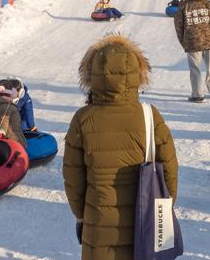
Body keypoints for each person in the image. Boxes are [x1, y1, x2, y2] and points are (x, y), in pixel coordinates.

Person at [63, 35, 178, 260]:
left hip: (98, 219)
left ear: (93, 75)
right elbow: (170, 171)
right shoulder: (150, 115)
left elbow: (73, 176)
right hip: (144, 219)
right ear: (137, 74)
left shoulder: (83, 119)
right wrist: (164, 205)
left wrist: (82, 214)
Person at [174, 0, 210, 102]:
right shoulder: (209, 4)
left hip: (192, 42)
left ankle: (197, 94)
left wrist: (183, 42)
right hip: (209, 41)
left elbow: (179, 26)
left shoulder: (184, 6)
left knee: (195, 69)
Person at [0, 82, 27, 147]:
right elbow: (4, 119)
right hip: (12, 139)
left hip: (0, 139)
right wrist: (2, 131)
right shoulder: (5, 106)